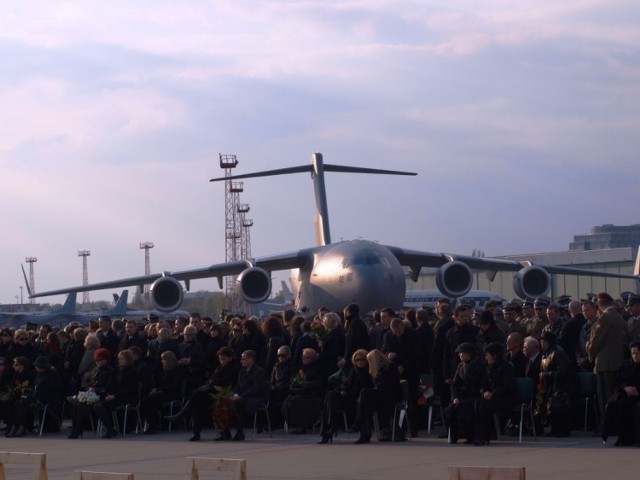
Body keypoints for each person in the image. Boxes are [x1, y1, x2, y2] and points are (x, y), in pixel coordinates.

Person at [166, 346, 239, 441]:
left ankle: (182, 416)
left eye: (224, 359)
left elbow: (227, 381)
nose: (222, 361)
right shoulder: (219, 368)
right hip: (213, 391)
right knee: (198, 402)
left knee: (197, 396)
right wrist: (214, 383)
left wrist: (214, 383)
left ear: (230, 358)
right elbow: (210, 380)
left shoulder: (234, 368)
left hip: (224, 393)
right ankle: (195, 432)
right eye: (220, 359)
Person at [318, 348, 373, 443]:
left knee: (363, 400)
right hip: (348, 397)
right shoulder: (352, 371)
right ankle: (330, 427)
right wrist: (342, 390)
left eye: (362, 359)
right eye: (357, 360)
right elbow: (345, 384)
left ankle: (363, 434)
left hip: (359, 398)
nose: (359, 362)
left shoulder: (369, 371)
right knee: (330, 395)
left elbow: (367, 387)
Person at [353, 349, 401, 444]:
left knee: (365, 395)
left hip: (390, 397)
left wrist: (379, 386)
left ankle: (359, 425)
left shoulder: (390, 366)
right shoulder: (376, 370)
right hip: (381, 397)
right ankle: (363, 431)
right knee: (365, 400)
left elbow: (393, 384)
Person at [7, 356, 62, 437]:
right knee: (18, 403)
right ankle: (15, 425)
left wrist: (35, 394)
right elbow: (34, 387)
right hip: (35, 397)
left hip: (45, 399)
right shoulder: (38, 374)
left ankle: (21, 426)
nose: (36, 367)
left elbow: (51, 390)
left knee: (24, 403)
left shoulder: (52, 376)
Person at [473, 342, 516, 445]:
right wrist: (484, 392)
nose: (486, 358)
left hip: (505, 398)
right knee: (477, 403)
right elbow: (483, 384)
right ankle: (477, 435)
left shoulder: (506, 367)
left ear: (494, 355)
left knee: (485, 405)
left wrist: (493, 393)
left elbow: (508, 386)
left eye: (487, 355)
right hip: (492, 397)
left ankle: (483, 436)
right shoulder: (488, 368)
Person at [68, 348, 115, 439]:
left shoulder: (110, 371)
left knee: (82, 405)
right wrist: (89, 388)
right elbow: (90, 383)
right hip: (93, 393)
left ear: (105, 360)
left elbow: (109, 387)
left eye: (99, 360)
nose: (97, 362)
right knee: (76, 403)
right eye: (96, 360)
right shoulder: (96, 370)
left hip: (102, 395)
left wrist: (95, 390)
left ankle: (78, 430)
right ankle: (76, 429)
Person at [92, 349, 140, 438]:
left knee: (102, 405)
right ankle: (110, 428)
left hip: (128, 397)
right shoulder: (117, 370)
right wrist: (109, 394)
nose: (120, 361)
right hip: (117, 395)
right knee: (97, 405)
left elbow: (131, 389)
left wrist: (114, 396)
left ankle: (110, 429)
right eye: (119, 359)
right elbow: (113, 386)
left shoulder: (132, 371)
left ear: (128, 359)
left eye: (122, 359)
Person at [443, 342, 483, 444]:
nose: (459, 355)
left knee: (464, 409)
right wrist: (455, 397)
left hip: (474, 395)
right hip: (461, 395)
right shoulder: (461, 366)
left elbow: (481, 383)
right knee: (449, 410)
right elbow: (455, 384)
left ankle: (470, 436)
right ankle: (453, 435)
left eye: (462, 353)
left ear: (468, 354)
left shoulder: (478, 366)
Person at [602, 341, 640, 445]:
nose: (635, 356)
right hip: (625, 393)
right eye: (633, 354)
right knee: (613, 404)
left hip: (637, 395)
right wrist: (625, 388)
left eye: (637, 353)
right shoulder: (626, 365)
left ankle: (630, 437)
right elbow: (617, 381)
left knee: (625, 405)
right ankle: (621, 437)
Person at [540, 331, 577, 437]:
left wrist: (546, 374)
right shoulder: (546, 352)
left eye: (542, 341)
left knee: (556, 404)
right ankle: (554, 428)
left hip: (562, 385)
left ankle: (561, 429)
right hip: (551, 385)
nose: (541, 343)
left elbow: (562, 372)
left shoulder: (558, 352)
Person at [226, 349, 268, 441]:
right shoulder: (242, 372)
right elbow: (237, 387)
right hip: (242, 397)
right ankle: (225, 432)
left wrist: (242, 395)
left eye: (243, 359)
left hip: (255, 398)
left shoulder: (259, 372)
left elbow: (256, 389)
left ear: (251, 359)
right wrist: (233, 393)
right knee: (225, 401)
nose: (241, 361)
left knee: (237, 402)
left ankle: (239, 432)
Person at [140, 351, 185, 435]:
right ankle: (151, 423)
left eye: (163, 360)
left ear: (169, 360)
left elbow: (174, 386)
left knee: (151, 400)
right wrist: (156, 389)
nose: (162, 361)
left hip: (173, 394)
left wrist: (159, 390)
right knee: (145, 400)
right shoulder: (165, 371)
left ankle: (153, 425)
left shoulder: (177, 371)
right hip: (165, 392)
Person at [282, 348, 326, 434]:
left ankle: (302, 426)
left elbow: (319, 383)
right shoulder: (301, 369)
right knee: (288, 400)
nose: (304, 359)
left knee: (297, 401)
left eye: (307, 357)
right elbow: (294, 381)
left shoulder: (318, 369)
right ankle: (293, 424)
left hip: (313, 395)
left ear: (312, 358)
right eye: (303, 357)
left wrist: (304, 384)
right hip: (301, 392)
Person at [3, 356, 35, 437]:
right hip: (16, 395)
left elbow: (26, 387)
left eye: (16, 364)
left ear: (22, 365)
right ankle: (11, 425)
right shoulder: (15, 374)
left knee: (19, 404)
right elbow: (12, 386)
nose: (14, 365)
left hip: (26, 396)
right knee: (6, 403)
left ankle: (19, 426)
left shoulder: (28, 374)